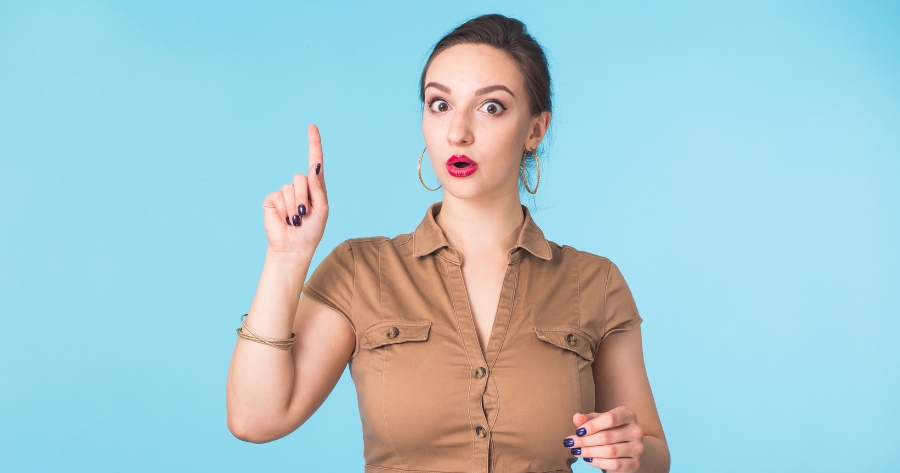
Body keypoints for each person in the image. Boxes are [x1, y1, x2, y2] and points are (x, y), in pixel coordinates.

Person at [226, 13, 670, 473]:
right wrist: (287, 257)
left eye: (490, 107)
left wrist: (633, 454)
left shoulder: (595, 282)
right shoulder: (361, 270)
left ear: (535, 130)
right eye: (439, 104)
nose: (458, 132)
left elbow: (654, 451)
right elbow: (255, 419)